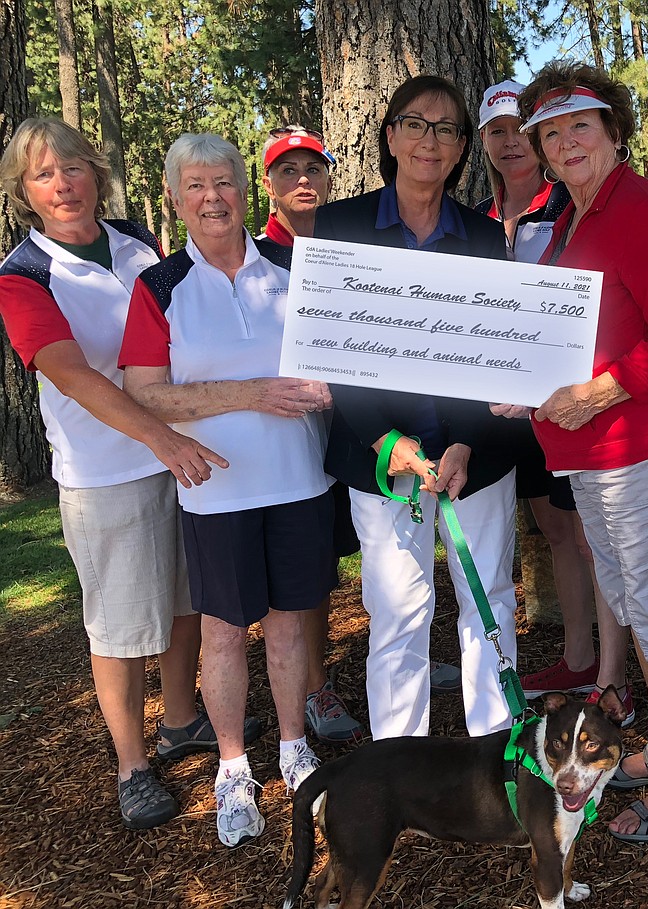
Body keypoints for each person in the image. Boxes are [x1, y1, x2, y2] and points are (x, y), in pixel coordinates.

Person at [505, 61, 648, 845]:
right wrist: (525, 384)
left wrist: (594, 394)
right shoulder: (574, 215)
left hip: (647, 442)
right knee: (639, 607)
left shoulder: (636, 209)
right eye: (551, 132)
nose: (566, 143)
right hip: (601, 451)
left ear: (614, 133)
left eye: (581, 127)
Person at [0, 117, 235, 831]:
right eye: (43, 174)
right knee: (122, 622)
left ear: (94, 173)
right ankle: (133, 763)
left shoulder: (137, 241)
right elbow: (73, 376)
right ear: (24, 193)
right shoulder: (22, 275)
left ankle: (185, 720)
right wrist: (161, 436)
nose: (63, 184)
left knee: (188, 596)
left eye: (72, 167)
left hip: (179, 451)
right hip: (106, 472)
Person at [120, 133, 334, 847]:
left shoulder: (293, 265)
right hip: (215, 490)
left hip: (299, 479)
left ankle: (295, 748)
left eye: (225, 183)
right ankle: (234, 766)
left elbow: (335, 362)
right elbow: (144, 392)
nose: (213, 198)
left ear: (247, 190)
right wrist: (253, 392)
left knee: (286, 623)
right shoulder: (159, 287)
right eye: (196, 186)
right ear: (177, 197)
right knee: (221, 633)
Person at [311, 75, 520, 741]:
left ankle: (496, 748)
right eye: (416, 124)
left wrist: (464, 441)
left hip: (474, 459)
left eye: (447, 129)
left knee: (490, 600)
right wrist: (384, 441)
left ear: (462, 148)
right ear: (391, 136)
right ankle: (398, 762)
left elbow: (493, 352)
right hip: (385, 464)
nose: (431, 140)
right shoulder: (341, 225)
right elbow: (332, 345)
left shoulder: (485, 238)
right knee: (399, 610)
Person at [475, 79, 633, 721]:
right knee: (552, 524)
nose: (509, 141)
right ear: (483, 143)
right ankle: (576, 653)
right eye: (495, 132)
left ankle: (608, 665)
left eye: (520, 128)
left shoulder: (566, 203)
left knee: (587, 530)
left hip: (573, 398)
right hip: (506, 406)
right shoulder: (479, 220)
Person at [255, 124, 366, 744]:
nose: (303, 180)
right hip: (296, 436)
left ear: (328, 176)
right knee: (310, 569)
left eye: (313, 168)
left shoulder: (350, 241)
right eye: (287, 170)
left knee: (361, 554)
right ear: (268, 184)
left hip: (356, 426)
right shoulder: (255, 255)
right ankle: (314, 687)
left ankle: (389, 654)